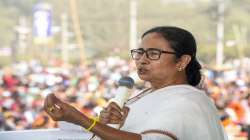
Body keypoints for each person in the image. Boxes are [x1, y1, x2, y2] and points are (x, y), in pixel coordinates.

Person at [44, 26, 228, 140]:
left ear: (182, 61)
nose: (142, 60)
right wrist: (109, 124)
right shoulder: (147, 95)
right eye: (140, 53)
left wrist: (81, 119)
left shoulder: (187, 101)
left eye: (153, 54)